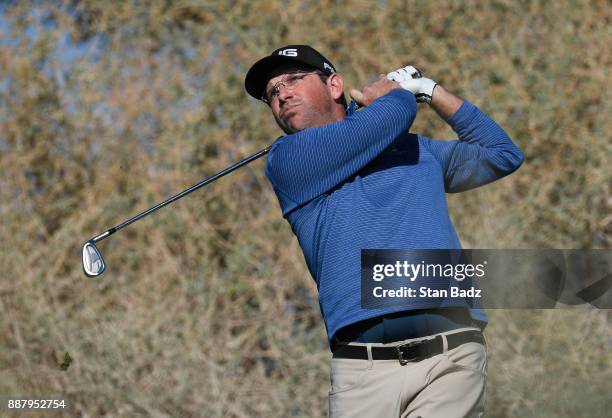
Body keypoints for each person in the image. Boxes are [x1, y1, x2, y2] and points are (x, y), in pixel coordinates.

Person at [244, 45, 524, 418]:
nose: (282, 95)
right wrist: (398, 96)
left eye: (293, 79)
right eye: (272, 93)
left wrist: (430, 90)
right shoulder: (289, 160)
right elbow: (395, 112)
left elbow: (501, 154)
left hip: (451, 356)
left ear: (334, 85)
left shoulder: (413, 150)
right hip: (362, 371)